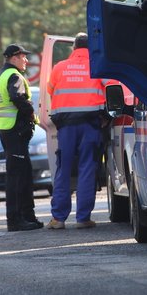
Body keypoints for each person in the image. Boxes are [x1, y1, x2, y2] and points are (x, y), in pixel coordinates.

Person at [44, 33, 107, 230]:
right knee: (87, 168)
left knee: (63, 168)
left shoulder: (59, 67)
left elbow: (50, 90)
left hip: (66, 126)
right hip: (91, 124)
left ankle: (58, 219)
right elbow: (111, 89)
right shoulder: (98, 66)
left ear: (73, 49)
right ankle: (83, 218)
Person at [0, 45, 43, 231]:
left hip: (6, 130)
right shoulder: (14, 76)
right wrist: (30, 115)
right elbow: (17, 97)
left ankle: (27, 216)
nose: (26, 60)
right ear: (14, 58)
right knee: (17, 176)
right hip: (15, 131)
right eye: (23, 57)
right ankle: (16, 220)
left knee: (22, 173)